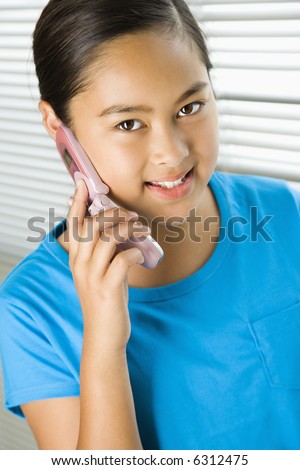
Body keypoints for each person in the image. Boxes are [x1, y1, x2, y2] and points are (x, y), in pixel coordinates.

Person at [0, 0, 300, 451]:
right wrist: (104, 341)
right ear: (59, 129)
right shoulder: (30, 309)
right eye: (129, 122)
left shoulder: (282, 210)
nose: (172, 152)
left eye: (189, 107)